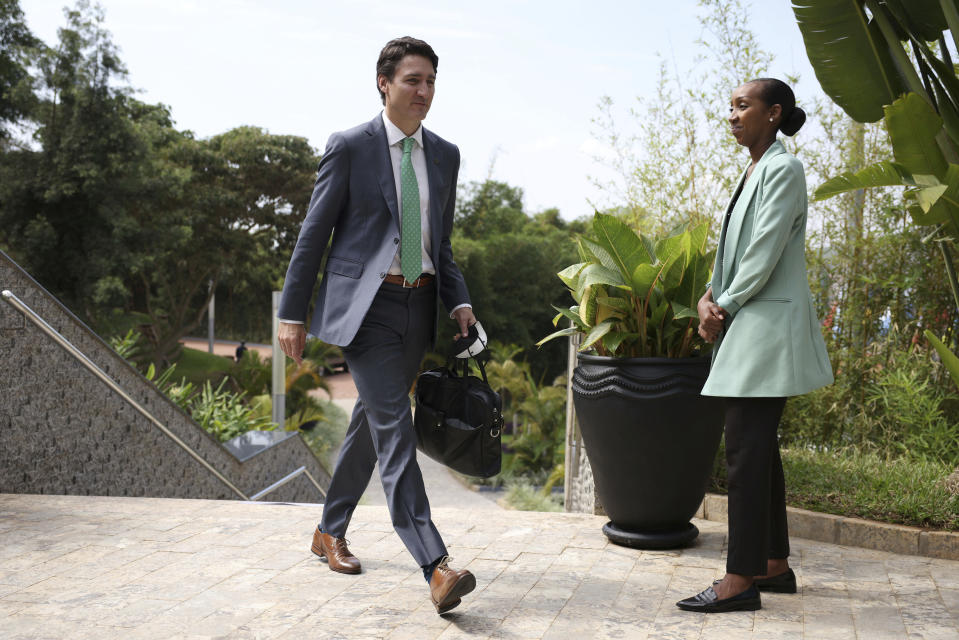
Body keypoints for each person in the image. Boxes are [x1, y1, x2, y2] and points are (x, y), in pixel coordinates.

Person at [276, 36, 478, 615]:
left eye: (431, 81)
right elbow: (313, 236)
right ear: (384, 84)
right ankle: (436, 564)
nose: (424, 92)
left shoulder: (445, 154)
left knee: (370, 423)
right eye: (413, 80)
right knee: (395, 429)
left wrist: (458, 301)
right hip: (366, 310)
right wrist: (291, 313)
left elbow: (441, 242)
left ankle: (327, 530)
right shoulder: (350, 147)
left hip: (419, 307)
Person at [677, 78, 833, 613]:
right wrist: (706, 297)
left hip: (765, 329)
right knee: (759, 449)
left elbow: (763, 253)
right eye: (731, 107)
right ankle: (772, 564)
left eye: (743, 106)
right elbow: (736, 253)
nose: (733, 115)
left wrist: (724, 307)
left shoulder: (783, 169)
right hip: (752, 323)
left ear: (774, 113)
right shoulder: (756, 169)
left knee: (744, 452)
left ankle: (739, 579)